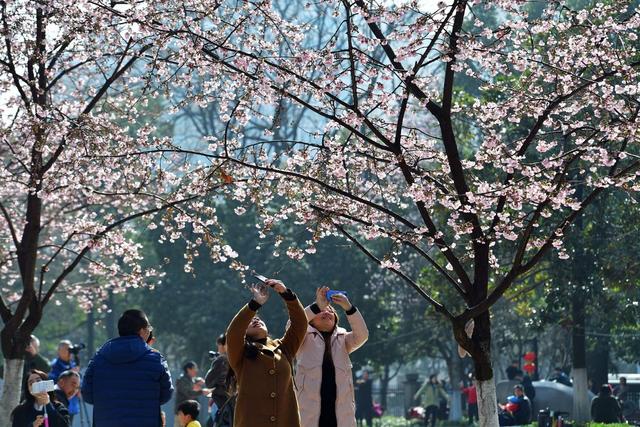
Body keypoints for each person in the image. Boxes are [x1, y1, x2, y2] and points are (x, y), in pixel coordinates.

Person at [226, 277, 307, 427]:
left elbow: (300, 324)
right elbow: (233, 333)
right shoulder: (240, 352)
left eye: (259, 319)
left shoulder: (284, 348)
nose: (256, 320)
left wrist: (286, 294)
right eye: (251, 320)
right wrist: (254, 304)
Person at [81, 308, 174, 426]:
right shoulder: (156, 359)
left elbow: (87, 394)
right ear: (142, 331)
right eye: (149, 329)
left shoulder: (99, 358)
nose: (149, 332)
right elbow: (167, 393)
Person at [295, 286, 369, 427]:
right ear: (310, 322)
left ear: (335, 319)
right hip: (309, 418)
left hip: (341, 418)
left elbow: (362, 335)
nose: (326, 312)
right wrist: (317, 305)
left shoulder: (344, 339)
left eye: (330, 311)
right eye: (321, 311)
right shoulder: (301, 338)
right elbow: (294, 325)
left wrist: (348, 307)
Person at [205, 334, 230, 425]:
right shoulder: (238, 358)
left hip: (221, 402)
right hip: (235, 402)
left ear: (224, 345)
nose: (218, 348)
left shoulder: (221, 360)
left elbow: (208, 382)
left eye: (218, 345)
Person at [174, 361, 209, 427]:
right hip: (182, 414)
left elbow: (195, 380)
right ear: (188, 369)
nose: (196, 370)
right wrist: (201, 391)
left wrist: (199, 381)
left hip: (191, 413)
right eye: (194, 368)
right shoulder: (182, 380)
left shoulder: (191, 379)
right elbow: (188, 393)